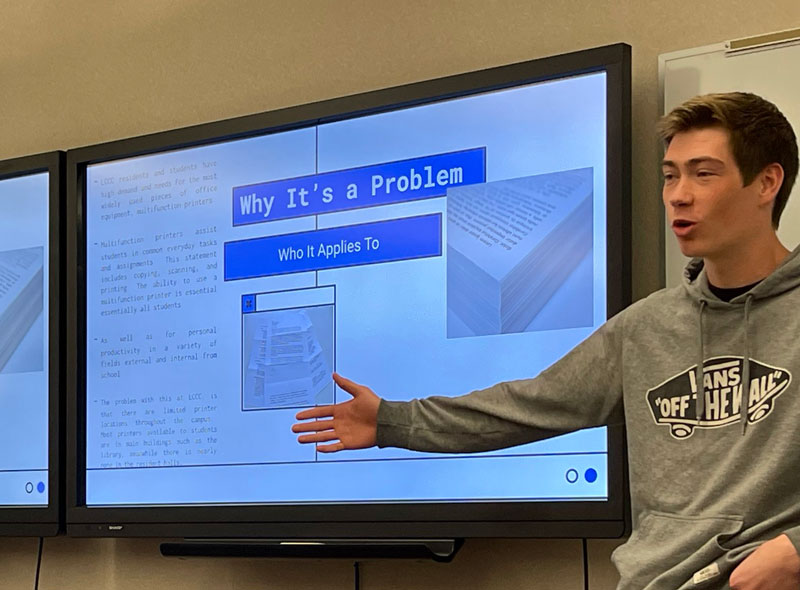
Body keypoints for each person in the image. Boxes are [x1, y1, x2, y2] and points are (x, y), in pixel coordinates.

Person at [292, 92, 800, 590]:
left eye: (703, 173)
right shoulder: (644, 327)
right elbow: (526, 406)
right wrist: (391, 421)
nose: (678, 194)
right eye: (670, 175)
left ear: (766, 183)